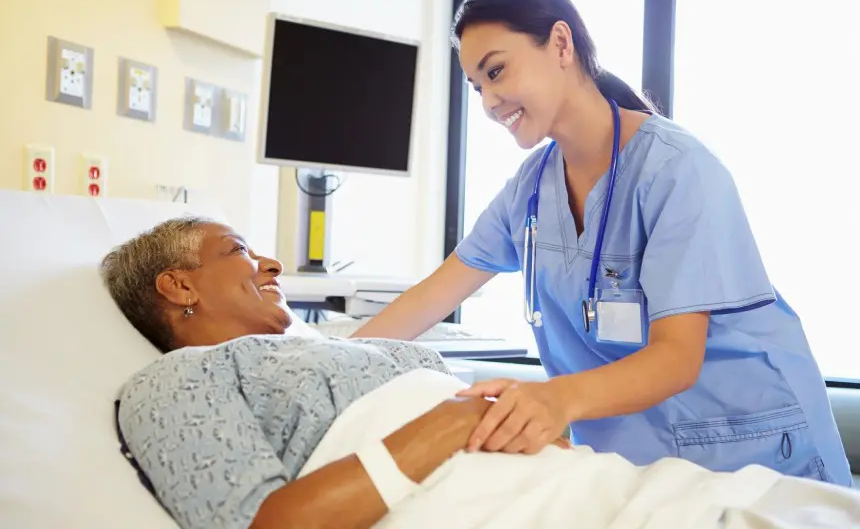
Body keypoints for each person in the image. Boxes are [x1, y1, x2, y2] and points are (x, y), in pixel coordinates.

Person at [351, 0, 853, 487]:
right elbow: (430, 297)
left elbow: (677, 358)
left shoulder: (678, 170)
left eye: (497, 71)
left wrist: (556, 399)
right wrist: (334, 360)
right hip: (639, 467)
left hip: (756, 452)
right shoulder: (530, 189)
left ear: (562, 44)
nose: (488, 101)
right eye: (478, 86)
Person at [104, 218, 860, 529]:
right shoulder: (178, 382)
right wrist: (455, 421)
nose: (269, 262)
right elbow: (266, 524)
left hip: (598, 487)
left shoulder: (332, 346)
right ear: (178, 287)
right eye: (239, 250)